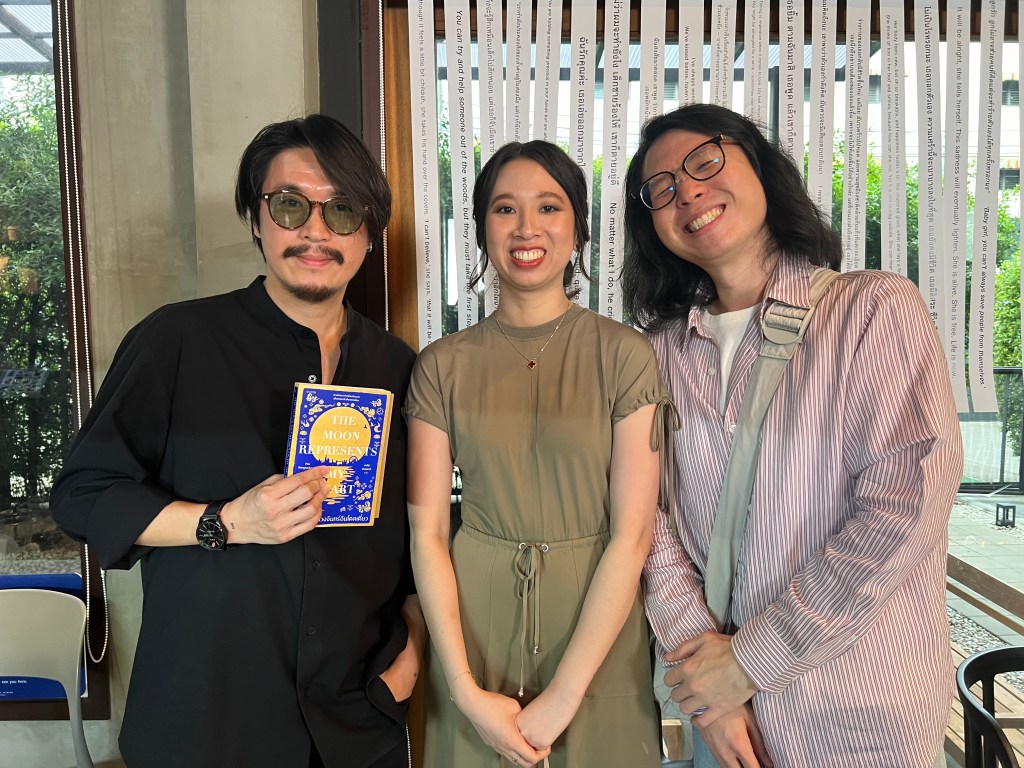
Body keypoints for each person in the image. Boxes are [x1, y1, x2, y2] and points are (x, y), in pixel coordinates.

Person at [50, 114, 423, 768]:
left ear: (368, 231)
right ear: (256, 218)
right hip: (209, 722)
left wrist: (414, 647)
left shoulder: (396, 367)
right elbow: (82, 495)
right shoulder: (178, 341)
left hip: (354, 724)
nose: (316, 230)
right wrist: (223, 521)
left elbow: (421, 534)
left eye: (342, 209)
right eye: (290, 205)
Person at [622, 103, 963, 768]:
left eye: (705, 161)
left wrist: (750, 662)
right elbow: (649, 522)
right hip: (725, 719)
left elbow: (903, 507)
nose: (687, 191)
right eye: (661, 188)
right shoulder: (657, 352)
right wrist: (711, 695)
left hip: (862, 708)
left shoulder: (872, 309)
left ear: (761, 168)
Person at [405, 140, 670, 767]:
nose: (527, 228)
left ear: (577, 229)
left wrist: (564, 695)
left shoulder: (625, 355)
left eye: (549, 207)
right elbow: (428, 534)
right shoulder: (440, 366)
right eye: (505, 209)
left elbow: (633, 535)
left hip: (597, 626)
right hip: (472, 626)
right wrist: (464, 690)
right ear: (482, 229)